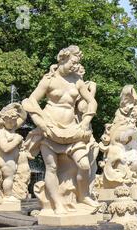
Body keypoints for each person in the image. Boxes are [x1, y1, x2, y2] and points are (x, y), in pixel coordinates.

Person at [22, 45, 99, 214]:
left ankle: (84, 195)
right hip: (50, 130)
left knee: (84, 165)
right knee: (52, 168)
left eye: (77, 62)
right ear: (63, 59)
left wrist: (85, 121)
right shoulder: (49, 80)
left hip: (73, 130)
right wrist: (40, 123)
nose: (74, 66)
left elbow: (91, 102)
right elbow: (30, 101)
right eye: (72, 62)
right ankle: (57, 203)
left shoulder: (77, 81)